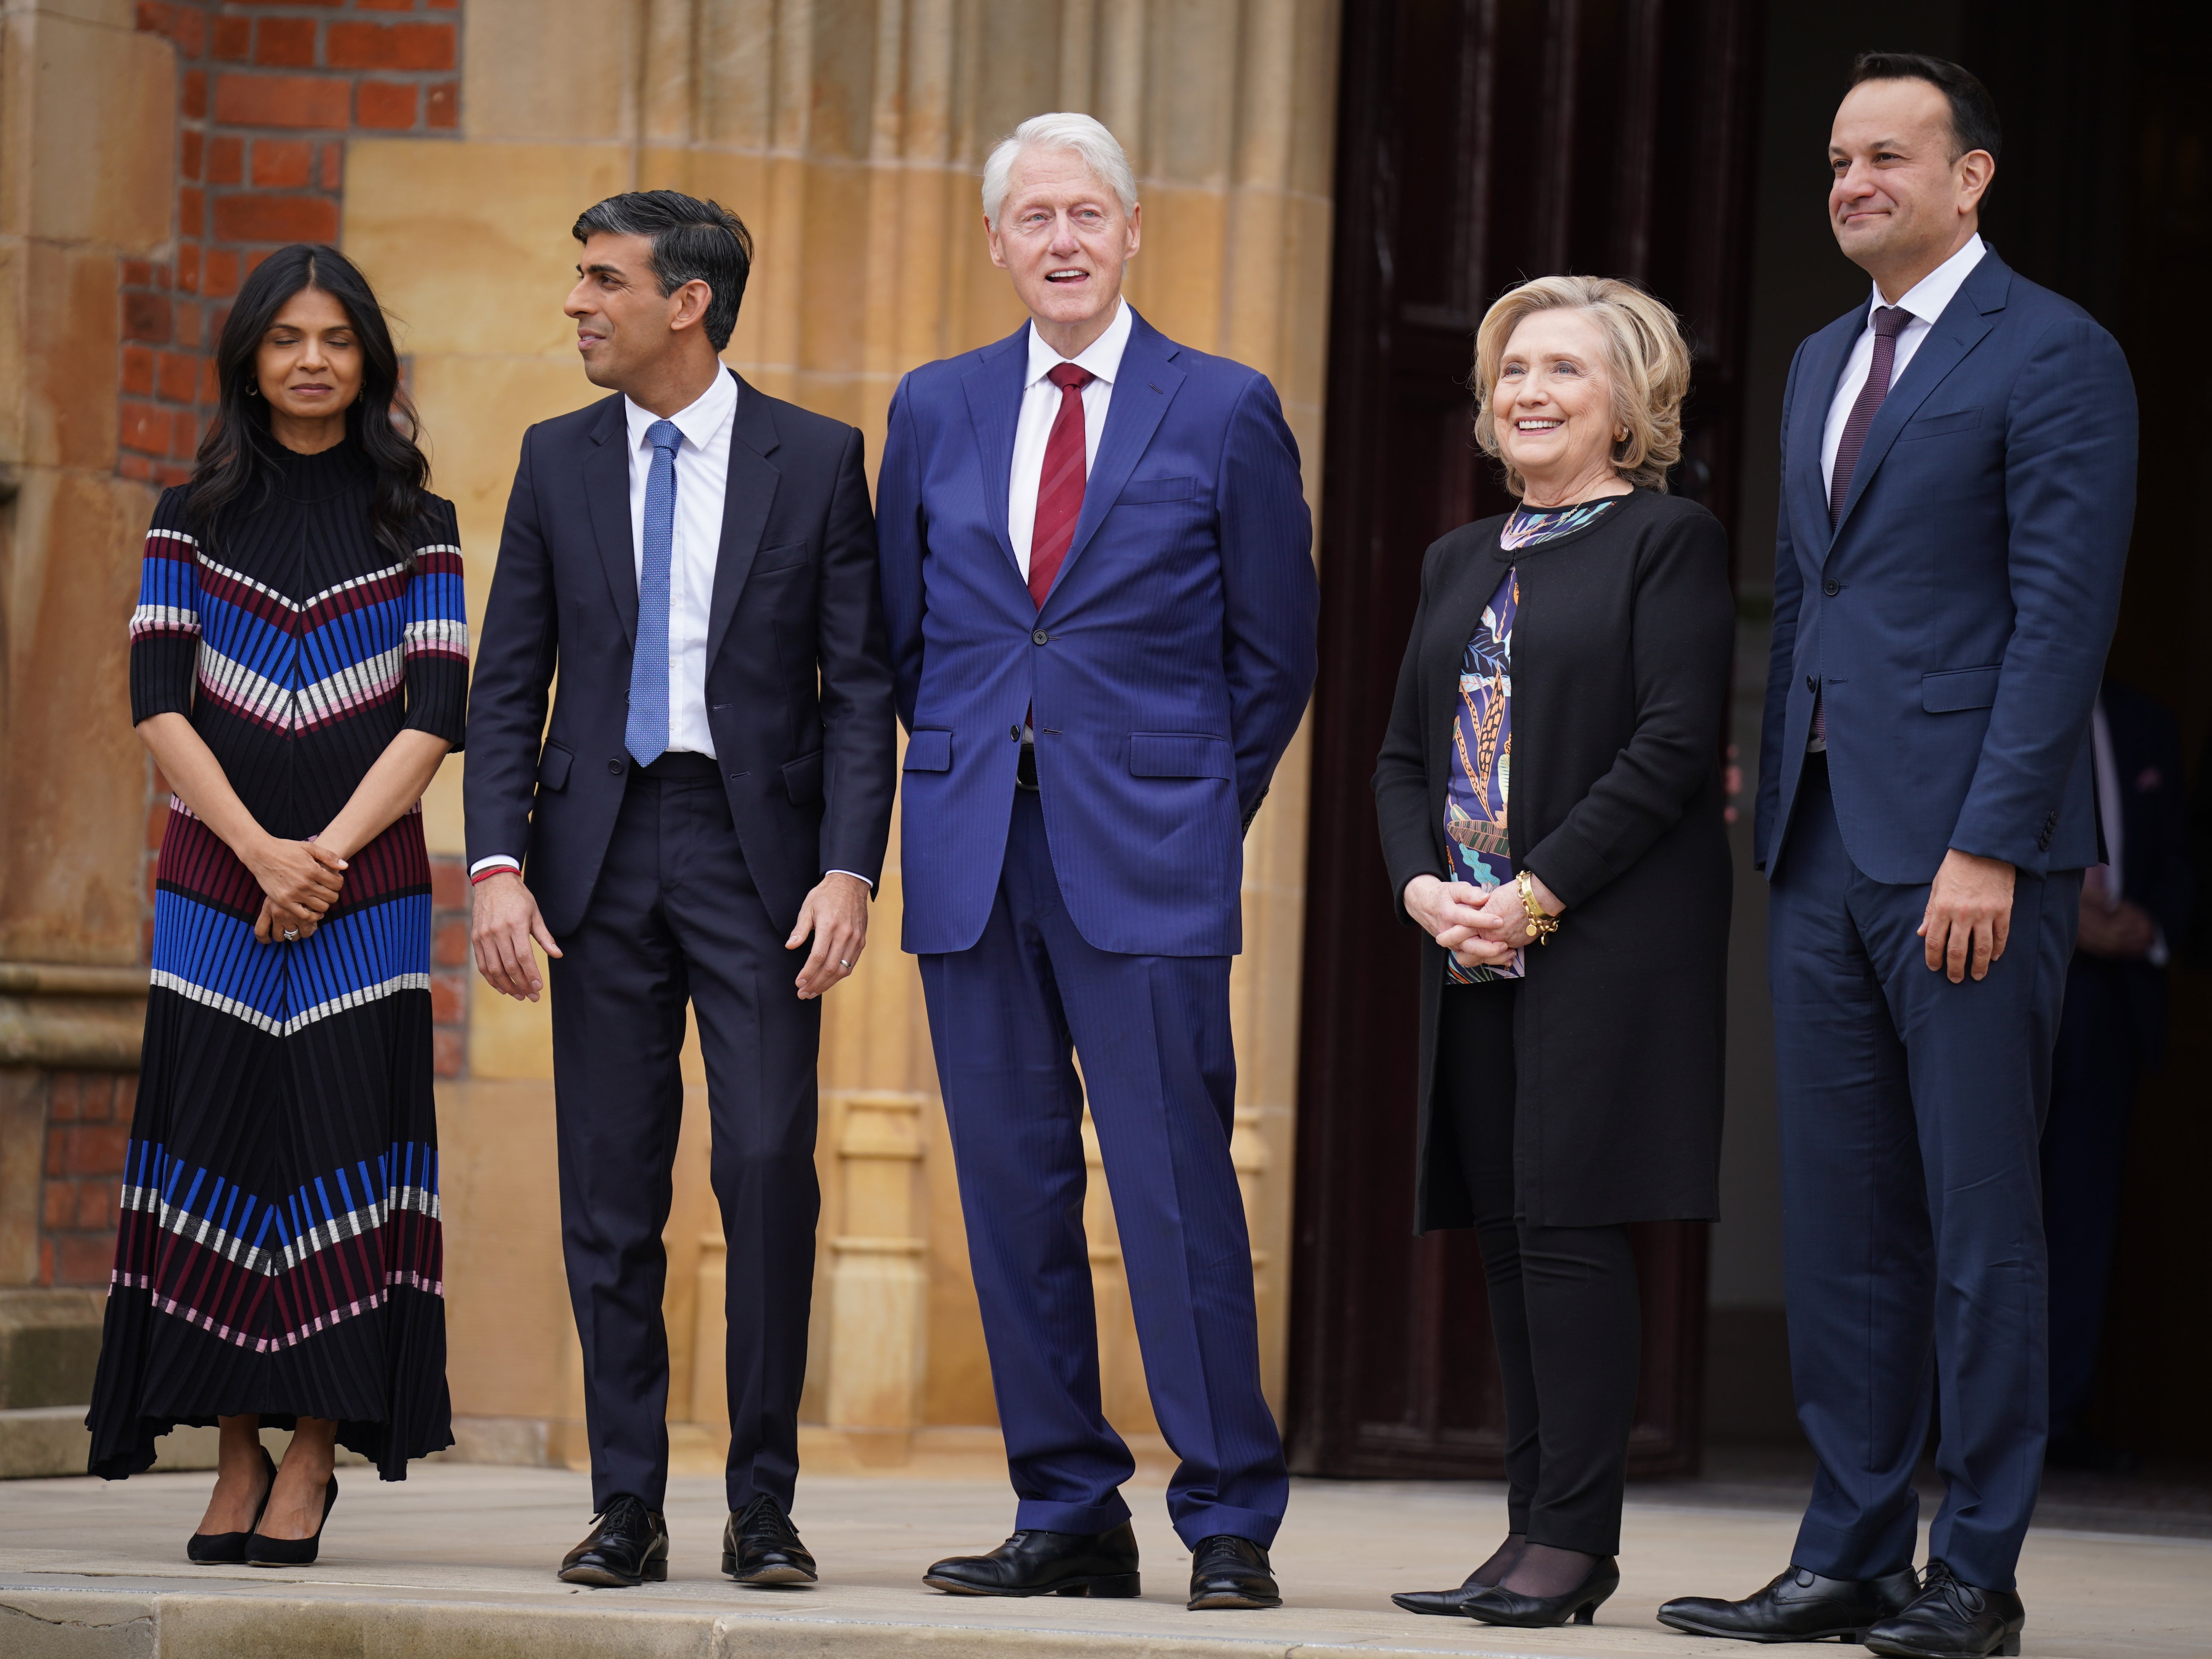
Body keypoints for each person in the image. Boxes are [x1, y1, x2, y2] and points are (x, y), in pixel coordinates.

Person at [1659, 54, 2136, 1659]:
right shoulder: (1814, 362)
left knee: (1979, 1214)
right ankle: (1849, 1551)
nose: (1851, 182)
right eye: (1838, 160)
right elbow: (1813, 593)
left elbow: (2059, 623)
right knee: (1846, 1221)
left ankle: (1977, 1573)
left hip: (1964, 862)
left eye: (1886, 156)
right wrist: (1771, 756)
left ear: (1971, 177)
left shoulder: (2056, 354)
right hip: (1817, 849)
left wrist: (1992, 844)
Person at [876, 112, 1317, 1612]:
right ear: (997, 245)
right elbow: (904, 640)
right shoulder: (934, 408)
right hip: (971, 852)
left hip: (1148, 856)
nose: (1061, 239)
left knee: (1176, 1186)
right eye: (1034, 217)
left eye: (1087, 213)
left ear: (1133, 233)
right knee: (1008, 1190)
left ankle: (1228, 1516)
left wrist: (1189, 807)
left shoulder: (1225, 407)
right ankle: (1065, 1505)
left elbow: (1275, 656)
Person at [464, 191, 895, 1589]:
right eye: (578, 278)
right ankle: (628, 1504)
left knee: (767, 1167)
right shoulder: (555, 459)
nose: (579, 304)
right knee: (609, 1187)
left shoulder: (818, 459)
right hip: (594, 854)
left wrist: (847, 867)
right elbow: (506, 684)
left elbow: (859, 686)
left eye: (604, 281)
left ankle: (761, 1506)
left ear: (687, 302)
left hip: (754, 855)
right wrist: (494, 866)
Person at [87, 243, 465, 1566]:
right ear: (250, 356)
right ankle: (235, 1448)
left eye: (338, 338)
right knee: (223, 1142)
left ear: (369, 358)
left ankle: (315, 1450)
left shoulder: (421, 522)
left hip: (364, 901)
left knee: (340, 1148)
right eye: (288, 337)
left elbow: (435, 715)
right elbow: (157, 701)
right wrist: (260, 851)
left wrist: (327, 857)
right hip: (214, 888)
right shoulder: (186, 515)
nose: (313, 359)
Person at [1373, 276, 1734, 1631]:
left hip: (1596, 936)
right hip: (1468, 938)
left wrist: (1530, 894)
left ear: (1630, 401)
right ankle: (1531, 1527)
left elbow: (1671, 747)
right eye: (1512, 368)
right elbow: (1405, 751)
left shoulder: (1669, 540)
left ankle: (1575, 1544)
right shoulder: (1459, 558)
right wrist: (1422, 886)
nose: (1528, 391)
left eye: (1566, 371)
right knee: (1514, 1237)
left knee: (1575, 1230)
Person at [2042, 678, 2189, 1473]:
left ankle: (2058, 1418)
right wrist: (2063, 919)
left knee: (2083, 1211)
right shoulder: (1993, 701)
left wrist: (2151, 925)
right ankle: (1949, 1419)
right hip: (2006, 977)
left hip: (2114, 1005)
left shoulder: (2143, 722)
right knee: (1978, 1207)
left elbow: (2177, 854)